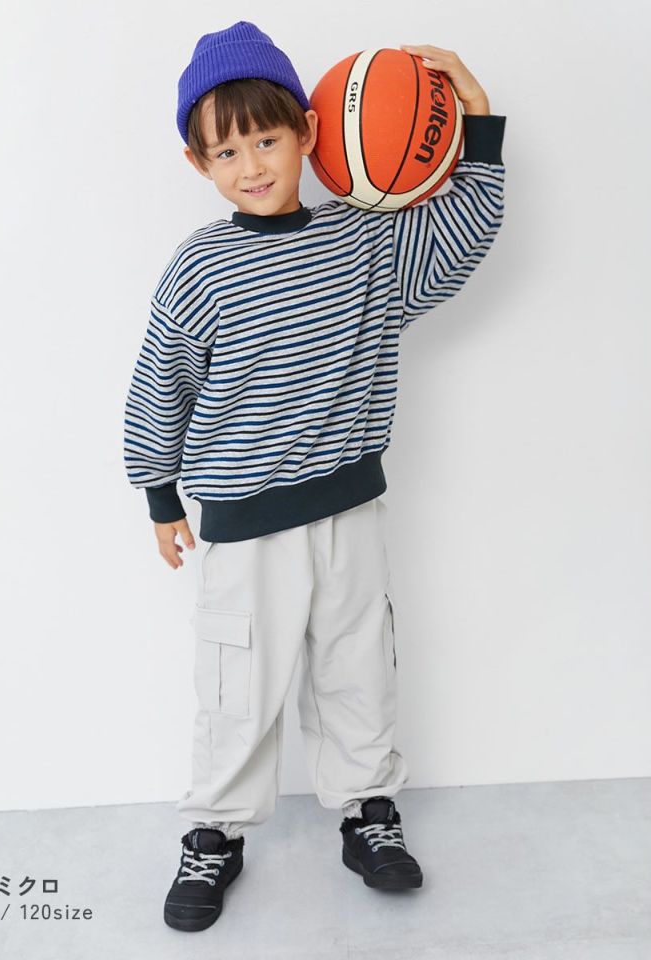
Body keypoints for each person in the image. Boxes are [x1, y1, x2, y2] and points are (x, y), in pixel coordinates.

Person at [123, 20, 506, 933]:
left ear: (308, 132)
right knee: (237, 684)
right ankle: (215, 831)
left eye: (266, 139)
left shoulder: (365, 244)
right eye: (227, 151)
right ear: (198, 163)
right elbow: (160, 380)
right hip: (244, 525)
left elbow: (463, 232)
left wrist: (479, 122)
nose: (251, 164)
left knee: (356, 666)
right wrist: (159, 492)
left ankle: (368, 812)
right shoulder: (200, 267)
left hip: (348, 509)